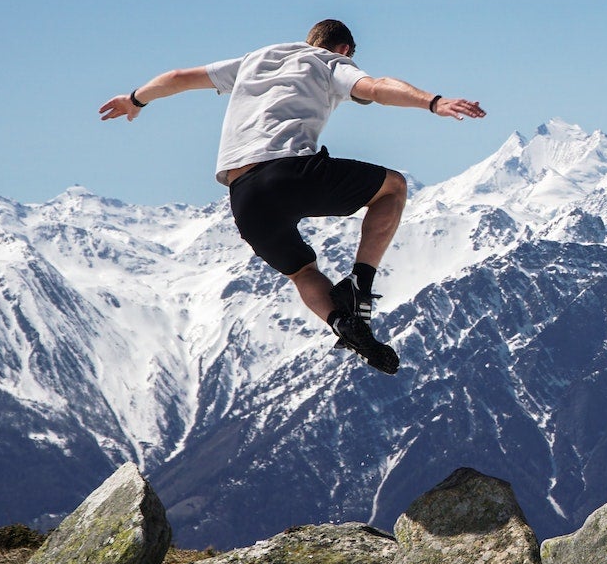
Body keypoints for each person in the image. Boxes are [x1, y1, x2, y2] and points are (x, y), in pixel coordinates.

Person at [98, 19, 484, 374]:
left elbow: (180, 77)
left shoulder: (255, 60)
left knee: (302, 272)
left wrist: (136, 99)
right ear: (345, 49)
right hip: (291, 172)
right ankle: (360, 286)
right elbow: (377, 87)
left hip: (243, 196)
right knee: (394, 187)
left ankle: (340, 322)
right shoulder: (330, 62)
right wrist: (433, 102)